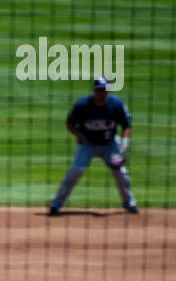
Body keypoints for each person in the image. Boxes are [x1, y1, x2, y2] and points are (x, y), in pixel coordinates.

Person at [49, 77, 138, 216]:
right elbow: (70, 124)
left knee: (120, 172)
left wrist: (123, 147)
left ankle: (129, 203)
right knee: (76, 171)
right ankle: (56, 204)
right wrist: (79, 135)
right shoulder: (82, 105)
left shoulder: (116, 105)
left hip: (110, 144)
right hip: (87, 145)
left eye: (104, 90)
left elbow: (127, 126)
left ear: (108, 91)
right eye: (99, 90)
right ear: (94, 91)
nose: (102, 93)